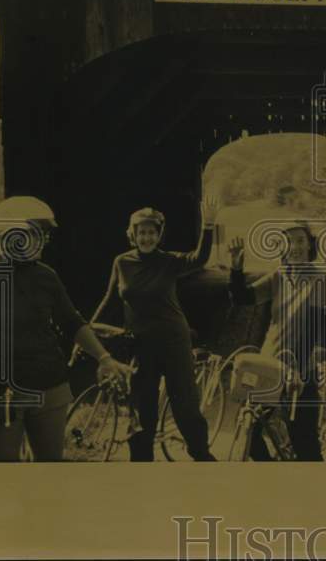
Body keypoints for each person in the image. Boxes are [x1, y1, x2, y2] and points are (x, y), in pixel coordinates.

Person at [0, 196, 133, 462]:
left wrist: (104, 358)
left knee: (49, 465)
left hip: (49, 385)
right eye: (38, 233)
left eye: (45, 235)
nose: (44, 241)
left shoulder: (46, 276)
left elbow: (71, 322)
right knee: (2, 470)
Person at [94, 197, 220, 461]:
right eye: (142, 232)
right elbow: (110, 300)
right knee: (141, 409)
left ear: (159, 235)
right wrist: (87, 329)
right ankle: (142, 466)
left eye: (152, 233)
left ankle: (202, 457)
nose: (147, 238)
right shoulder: (122, 263)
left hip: (174, 341)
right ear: (133, 234)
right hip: (141, 344)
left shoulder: (168, 261)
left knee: (184, 405)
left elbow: (200, 258)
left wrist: (208, 226)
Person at [225, 221, 326, 460]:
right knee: (249, 426)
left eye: (300, 241)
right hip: (271, 363)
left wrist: (301, 369)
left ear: (309, 245)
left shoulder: (320, 279)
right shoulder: (277, 276)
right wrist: (236, 269)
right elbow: (243, 298)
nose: (294, 247)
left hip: (301, 366)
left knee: (303, 438)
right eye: (288, 241)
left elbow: (318, 326)